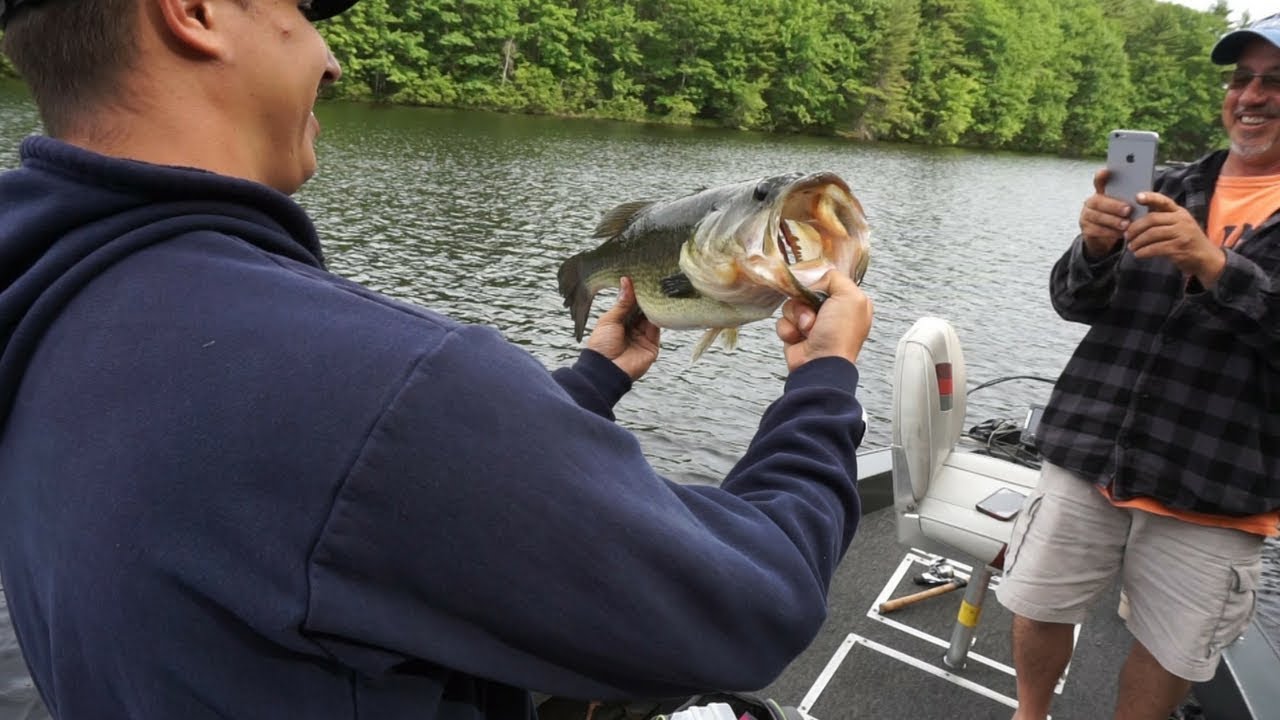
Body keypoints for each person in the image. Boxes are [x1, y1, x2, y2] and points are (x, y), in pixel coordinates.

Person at [0, 0, 875, 718]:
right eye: (302, 13)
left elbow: (352, 499)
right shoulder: (373, 383)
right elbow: (757, 603)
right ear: (192, 12)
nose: (332, 56)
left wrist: (593, 382)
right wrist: (823, 383)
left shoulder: (54, 317)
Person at [995, 13, 1280, 720]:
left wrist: (1214, 265)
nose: (1251, 95)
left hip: (1213, 483)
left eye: (1276, 82)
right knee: (1037, 602)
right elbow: (1071, 301)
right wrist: (1091, 248)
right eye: (1242, 78)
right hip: (1090, 448)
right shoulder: (1170, 188)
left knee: (1171, 650)